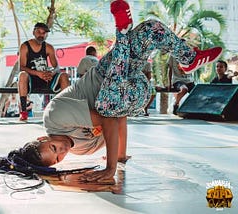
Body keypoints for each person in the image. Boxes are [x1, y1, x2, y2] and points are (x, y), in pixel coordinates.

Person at [15, 0, 222, 182]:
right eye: (59, 158)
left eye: (54, 148)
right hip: (135, 92)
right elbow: (118, 118)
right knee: (109, 105)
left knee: (150, 30)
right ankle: (122, 32)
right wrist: (120, 156)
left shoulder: (54, 116)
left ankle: (188, 58)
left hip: (111, 73)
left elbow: (109, 119)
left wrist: (111, 167)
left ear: (43, 139)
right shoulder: (82, 149)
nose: (62, 151)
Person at [18, 22, 70, 121]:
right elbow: (22, 67)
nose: (41, 35)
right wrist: (38, 73)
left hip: (46, 78)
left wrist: (52, 73)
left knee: (64, 75)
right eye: (39, 32)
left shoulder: (49, 47)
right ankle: (24, 112)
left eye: (44, 33)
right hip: (31, 79)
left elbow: (56, 66)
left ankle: (65, 112)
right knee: (22, 75)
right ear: (33, 32)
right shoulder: (25, 46)